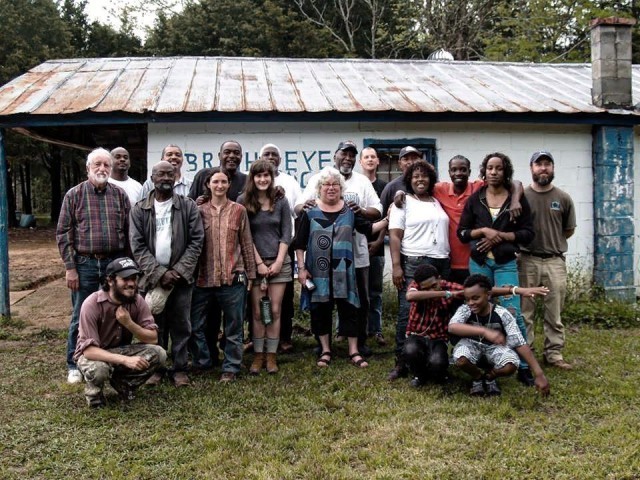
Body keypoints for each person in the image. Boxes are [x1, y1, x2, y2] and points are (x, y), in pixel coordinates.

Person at [296, 141, 382, 355]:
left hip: (351, 262)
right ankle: (324, 346)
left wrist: (391, 217)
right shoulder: (314, 194)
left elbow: (374, 218)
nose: (348, 158)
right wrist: (301, 268)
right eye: (344, 154)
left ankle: (357, 344)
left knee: (356, 303)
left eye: (352, 155)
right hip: (319, 267)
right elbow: (298, 219)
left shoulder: (359, 188)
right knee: (321, 305)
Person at [457, 152, 535, 386]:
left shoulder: (516, 200)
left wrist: (500, 236)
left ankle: (523, 366)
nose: (493, 172)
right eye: (489, 168)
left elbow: (528, 234)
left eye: (498, 168)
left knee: (512, 313)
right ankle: (483, 358)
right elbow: (462, 233)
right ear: (484, 171)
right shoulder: (475, 199)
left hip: (504, 263)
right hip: (479, 263)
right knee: (477, 310)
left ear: (505, 171)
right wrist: (483, 232)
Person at [404, 264, 549, 388]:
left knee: (437, 362)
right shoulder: (426, 289)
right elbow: (410, 297)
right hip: (417, 335)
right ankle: (420, 376)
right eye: (427, 288)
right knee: (411, 350)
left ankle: (470, 375)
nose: (431, 290)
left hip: (438, 338)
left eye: (434, 285)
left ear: (440, 279)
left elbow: (481, 290)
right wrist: (445, 294)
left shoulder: (500, 312)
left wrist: (517, 290)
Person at [56, 147, 131, 384]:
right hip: (86, 264)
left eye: (106, 165)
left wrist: (127, 267)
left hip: (113, 264)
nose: (102, 169)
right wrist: (70, 268)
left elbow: (129, 232)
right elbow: (63, 233)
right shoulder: (74, 195)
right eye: (97, 164)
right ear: (88, 168)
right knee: (81, 315)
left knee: (118, 312)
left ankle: (116, 359)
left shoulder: (119, 195)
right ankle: (74, 363)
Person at [129, 161, 204, 387]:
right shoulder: (139, 209)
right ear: (152, 177)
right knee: (154, 325)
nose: (166, 178)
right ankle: (157, 368)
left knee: (182, 324)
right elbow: (137, 246)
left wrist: (178, 271)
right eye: (161, 174)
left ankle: (180, 368)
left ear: (175, 177)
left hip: (181, 279)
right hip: (151, 280)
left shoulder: (188, 206)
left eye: (170, 174)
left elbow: (196, 241)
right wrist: (159, 273)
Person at [188, 168, 256, 383]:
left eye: (223, 182)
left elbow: (246, 242)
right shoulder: (197, 211)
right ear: (208, 184)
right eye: (215, 182)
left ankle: (231, 367)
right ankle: (203, 361)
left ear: (228, 185)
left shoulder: (238, 210)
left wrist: (251, 274)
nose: (219, 185)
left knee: (233, 327)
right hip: (203, 278)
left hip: (232, 277)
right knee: (195, 325)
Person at [74, 257, 167, 408]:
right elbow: (89, 351)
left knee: (159, 353)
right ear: (110, 280)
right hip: (94, 355)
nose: (131, 284)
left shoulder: (137, 300)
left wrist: (129, 323)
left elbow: (153, 338)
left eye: (134, 278)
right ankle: (94, 394)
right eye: (125, 279)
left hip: (119, 350)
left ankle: (124, 384)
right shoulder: (92, 304)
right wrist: (125, 360)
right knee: (100, 369)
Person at [388, 159, 450, 380]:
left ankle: (434, 358)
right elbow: (395, 235)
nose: (420, 179)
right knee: (408, 312)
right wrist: (396, 267)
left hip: (441, 262)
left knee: (438, 312)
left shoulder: (437, 201)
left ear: (431, 179)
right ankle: (401, 362)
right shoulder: (402, 203)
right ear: (409, 180)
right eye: (415, 176)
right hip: (415, 262)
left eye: (424, 176)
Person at [519, 151, 576, 370]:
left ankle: (554, 353)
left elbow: (568, 230)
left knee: (555, 311)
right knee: (527, 311)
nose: (543, 168)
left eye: (547, 164)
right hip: (527, 260)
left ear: (552, 168)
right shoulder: (522, 197)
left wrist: (552, 244)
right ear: (531, 168)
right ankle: (527, 352)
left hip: (554, 261)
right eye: (539, 164)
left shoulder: (563, 198)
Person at [449, 274, 550, 397]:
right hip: (471, 345)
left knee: (510, 365)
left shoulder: (502, 314)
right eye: (467, 299)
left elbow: (519, 343)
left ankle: (490, 377)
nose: (471, 303)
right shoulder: (465, 310)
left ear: (489, 295)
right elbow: (452, 327)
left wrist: (539, 374)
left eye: (475, 298)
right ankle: (478, 377)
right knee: (461, 358)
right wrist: (484, 331)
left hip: (494, 348)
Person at [237, 159, 292, 374]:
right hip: (255, 263)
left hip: (279, 262)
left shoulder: (281, 200)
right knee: (258, 312)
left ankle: (271, 356)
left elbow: (287, 232)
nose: (262, 179)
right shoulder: (244, 200)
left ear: (271, 177)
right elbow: (245, 235)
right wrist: (258, 263)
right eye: (258, 175)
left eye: (266, 175)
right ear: (253, 178)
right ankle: (258, 355)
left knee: (275, 310)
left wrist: (278, 261)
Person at [258, 144, 302, 354]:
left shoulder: (289, 183)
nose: (271, 157)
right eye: (267, 154)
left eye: (275, 154)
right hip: (258, 253)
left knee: (283, 299)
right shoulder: (253, 182)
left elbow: (298, 210)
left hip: (285, 247)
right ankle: (256, 340)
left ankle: (284, 337)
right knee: (256, 301)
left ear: (280, 159)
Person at [359, 147, 388, 346]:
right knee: (352, 290)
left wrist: (379, 241)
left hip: (376, 246)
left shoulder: (384, 186)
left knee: (375, 291)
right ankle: (343, 330)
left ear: (378, 161)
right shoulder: (355, 184)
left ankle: (376, 329)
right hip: (355, 247)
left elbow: (388, 217)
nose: (369, 160)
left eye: (372, 157)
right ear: (361, 162)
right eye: (366, 157)